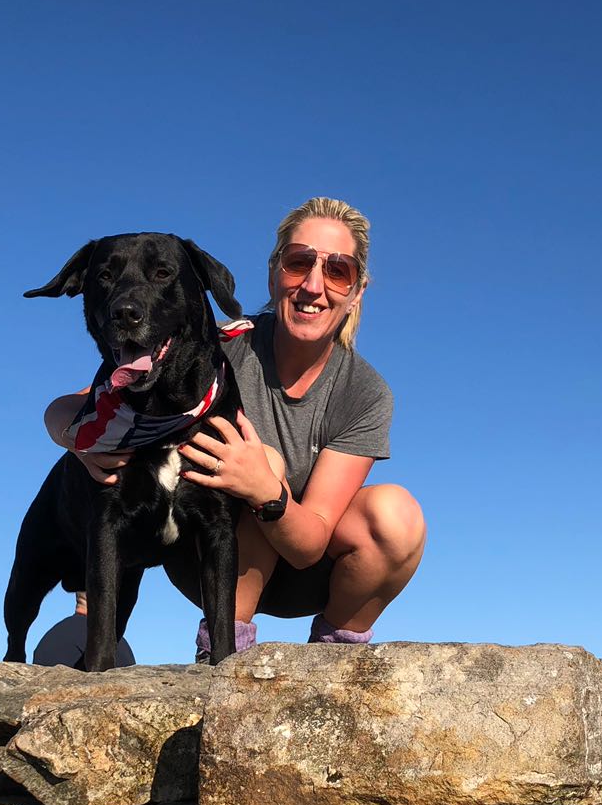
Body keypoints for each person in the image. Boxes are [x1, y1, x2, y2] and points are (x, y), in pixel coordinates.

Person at [83, 195, 424, 658]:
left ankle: (332, 658)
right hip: (206, 556)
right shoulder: (216, 345)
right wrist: (75, 438)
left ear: (356, 291)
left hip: (304, 567)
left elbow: (309, 546)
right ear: (273, 272)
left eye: (337, 271)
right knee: (264, 459)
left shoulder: (366, 393)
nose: (313, 286)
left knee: (395, 516)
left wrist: (266, 490)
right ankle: (223, 655)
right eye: (298, 263)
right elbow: (82, 405)